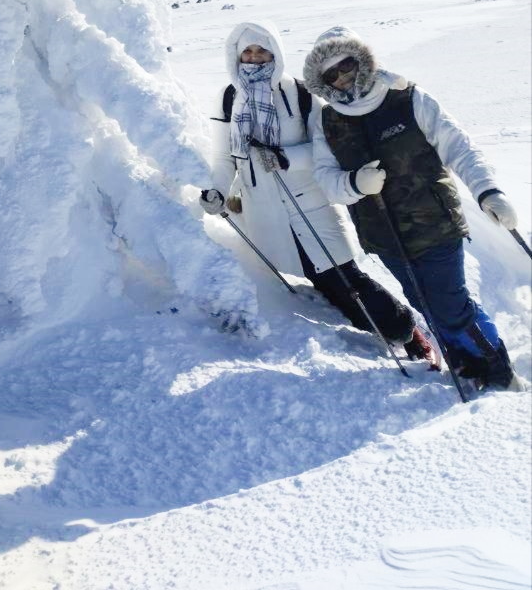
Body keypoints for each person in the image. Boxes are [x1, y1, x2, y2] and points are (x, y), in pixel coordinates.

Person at [303, 25, 526, 393]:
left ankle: (500, 372)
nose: (342, 77)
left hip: (434, 224)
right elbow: (327, 181)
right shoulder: (328, 121)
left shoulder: (406, 98)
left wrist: (488, 192)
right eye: (331, 74)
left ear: (361, 60)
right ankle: (466, 362)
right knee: (425, 302)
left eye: (346, 65)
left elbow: (459, 146)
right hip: (384, 236)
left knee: (451, 306)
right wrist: (356, 184)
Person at [200, 21, 436, 363]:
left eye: (262, 50)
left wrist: (284, 158)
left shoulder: (299, 93)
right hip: (265, 210)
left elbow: (325, 148)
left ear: (275, 52)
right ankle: (389, 333)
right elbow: (224, 158)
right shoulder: (229, 99)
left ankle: (407, 333)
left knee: (345, 278)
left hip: (310, 204)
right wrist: (218, 192)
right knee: (319, 282)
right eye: (247, 52)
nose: (254, 58)